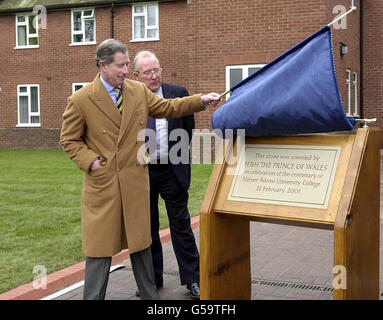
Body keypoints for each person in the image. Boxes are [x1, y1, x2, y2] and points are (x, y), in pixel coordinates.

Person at [59, 39, 220, 300]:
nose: (125, 71)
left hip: (136, 180)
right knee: (100, 248)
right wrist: (91, 162)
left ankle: (151, 296)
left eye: (126, 65)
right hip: (104, 184)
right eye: (120, 66)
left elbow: (169, 107)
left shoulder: (136, 91)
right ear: (103, 65)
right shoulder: (81, 99)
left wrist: (201, 100)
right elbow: (69, 139)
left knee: (141, 242)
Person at [132, 51, 200, 299]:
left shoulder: (177, 92)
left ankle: (194, 279)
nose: (154, 76)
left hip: (173, 169)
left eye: (157, 70)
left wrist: (177, 155)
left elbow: (187, 129)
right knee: (147, 228)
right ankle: (153, 278)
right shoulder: (129, 96)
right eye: (148, 72)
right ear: (136, 75)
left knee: (181, 226)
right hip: (143, 170)